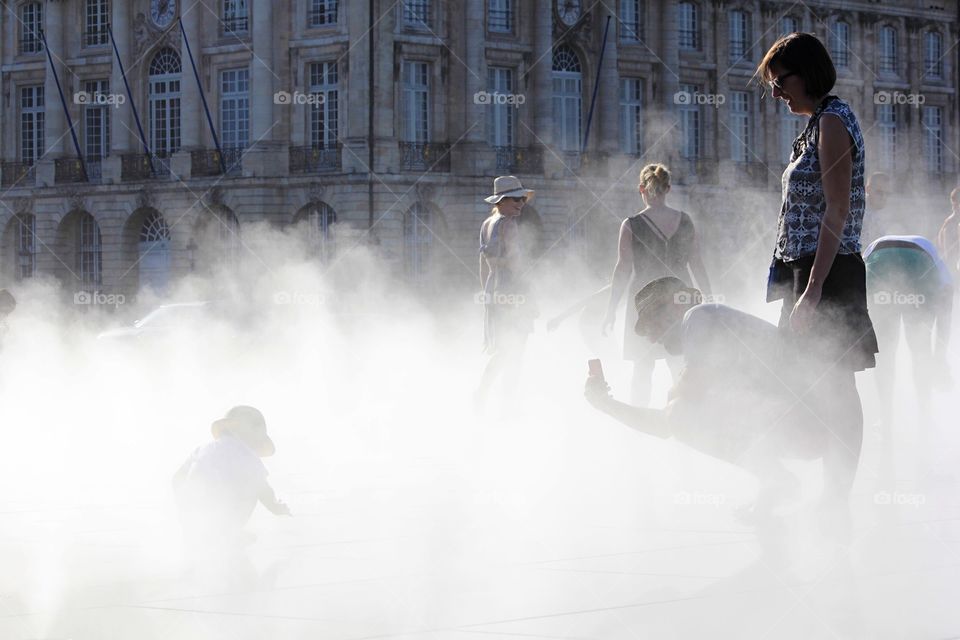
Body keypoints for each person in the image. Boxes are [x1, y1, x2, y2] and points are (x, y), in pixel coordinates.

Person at [586, 277, 825, 521]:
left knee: (682, 413)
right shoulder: (708, 335)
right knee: (682, 414)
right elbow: (666, 425)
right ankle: (775, 484)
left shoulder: (698, 316)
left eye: (652, 324)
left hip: (806, 422)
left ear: (676, 306)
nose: (652, 337)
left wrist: (677, 395)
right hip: (806, 427)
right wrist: (607, 405)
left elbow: (678, 413)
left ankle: (776, 480)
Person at [757, 33, 878, 516]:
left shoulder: (832, 122)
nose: (776, 93)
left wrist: (811, 293)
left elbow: (837, 211)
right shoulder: (812, 127)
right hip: (805, 271)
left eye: (780, 81)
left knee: (835, 385)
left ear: (806, 73)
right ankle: (792, 487)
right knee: (794, 383)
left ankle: (835, 498)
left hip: (826, 274)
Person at [601, 163, 711, 406]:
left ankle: (639, 429)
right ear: (668, 188)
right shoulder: (685, 221)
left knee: (642, 368)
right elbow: (697, 264)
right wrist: (710, 301)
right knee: (680, 365)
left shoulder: (630, 225)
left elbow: (622, 270)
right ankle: (684, 419)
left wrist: (611, 310)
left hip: (644, 300)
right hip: (680, 298)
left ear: (641, 188)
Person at [173, 406, 290, 557]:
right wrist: (277, 507)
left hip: (193, 515)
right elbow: (264, 491)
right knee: (252, 488)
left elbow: (176, 479)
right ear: (254, 438)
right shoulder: (249, 459)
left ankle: (216, 532)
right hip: (220, 514)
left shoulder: (203, 448)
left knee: (198, 489)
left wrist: (182, 507)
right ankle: (231, 532)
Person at [864, 235, 953, 428]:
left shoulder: (872, 248)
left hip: (878, 259)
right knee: (920, 351)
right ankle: (925, 415)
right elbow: (946, 301)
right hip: (918, 264)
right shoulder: (936, 260)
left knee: (885, 353)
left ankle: (885, 417)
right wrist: (939, 356)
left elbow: (858, 288)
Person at [476, 176, 537, 408]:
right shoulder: (509, 224)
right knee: (514, 352)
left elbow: (482, 264)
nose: (521, 204)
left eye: (522, 199)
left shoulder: (486, 224)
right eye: (515, 199)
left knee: (503, 350)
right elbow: (516, 263)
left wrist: (487, 294)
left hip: (494, 289)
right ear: (500, 201)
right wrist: (531, 296)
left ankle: (484, 393)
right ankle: (505, 403)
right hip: (513, 290)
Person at [936, 187, 960, 277]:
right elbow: (941, 237)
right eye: (953, 204)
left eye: (955, 204)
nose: (953, 207)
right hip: (952, 261)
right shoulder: (950, 221)